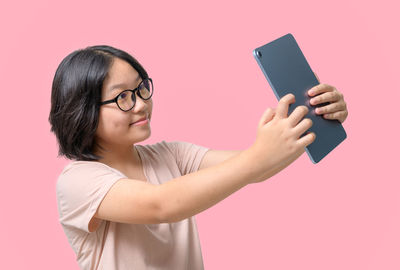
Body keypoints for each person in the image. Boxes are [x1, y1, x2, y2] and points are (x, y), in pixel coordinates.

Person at [49, 45, 348, 270]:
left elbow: (254, 168)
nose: (141, 104)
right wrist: (260, 155)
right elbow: (161, 205)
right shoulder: (78, 181)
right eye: (123, 97)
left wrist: (315, 117)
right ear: (83, 111)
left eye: (141, 88)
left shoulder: (171, 155)